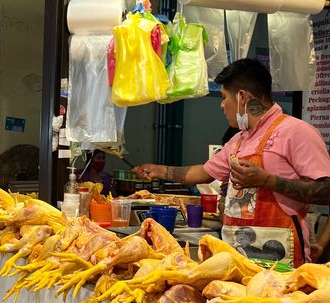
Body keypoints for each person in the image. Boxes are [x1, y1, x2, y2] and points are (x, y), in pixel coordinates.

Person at [137, 58, 330, 265]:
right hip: (237, 259)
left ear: (242, 97)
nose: (221, 105)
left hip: (282, 264)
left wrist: (268, 181)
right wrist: (159, 170)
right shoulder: (238, 140)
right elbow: (202, 173)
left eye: (223, 97)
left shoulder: (296, 132)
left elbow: (326, 189)